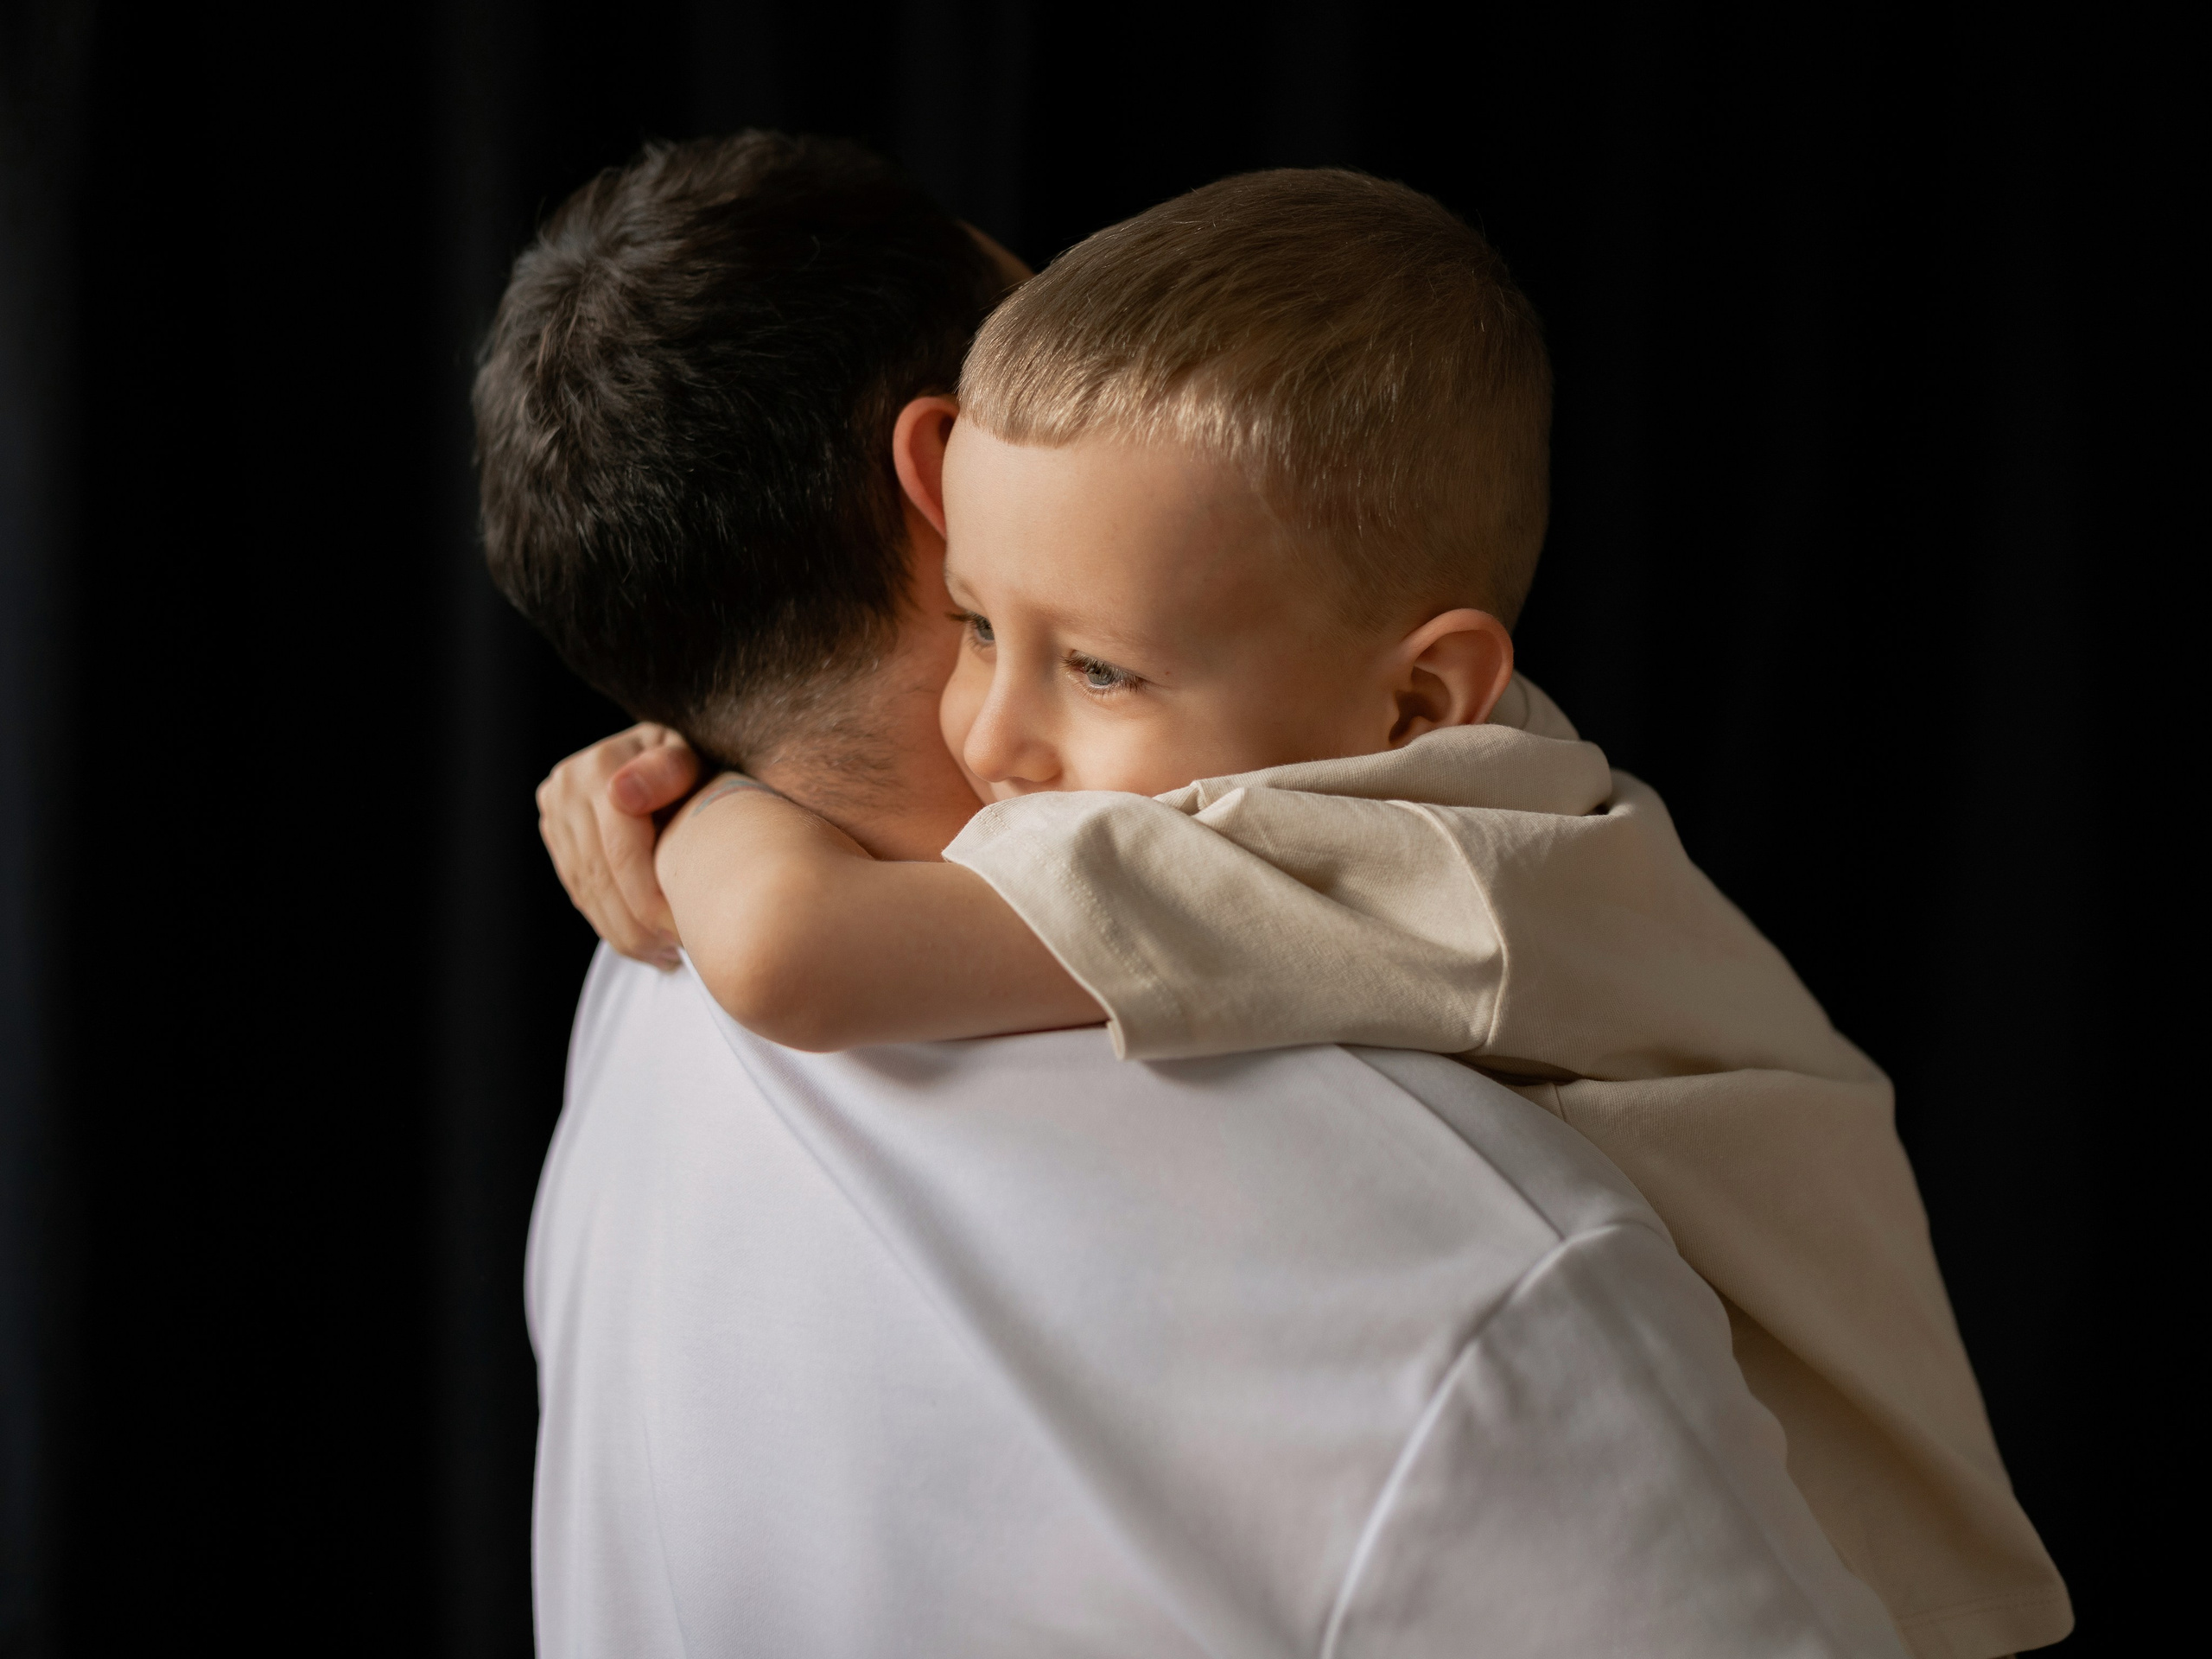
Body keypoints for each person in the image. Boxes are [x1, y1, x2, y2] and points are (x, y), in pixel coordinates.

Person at [566, 170, 2069, 1656]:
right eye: (975, 626)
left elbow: (784, 952)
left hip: (1879, 1562)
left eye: (1097, 668)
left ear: (1421, 700)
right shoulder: (1358, 734)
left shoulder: (1377, 866)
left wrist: (693, 793)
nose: (997, 741)